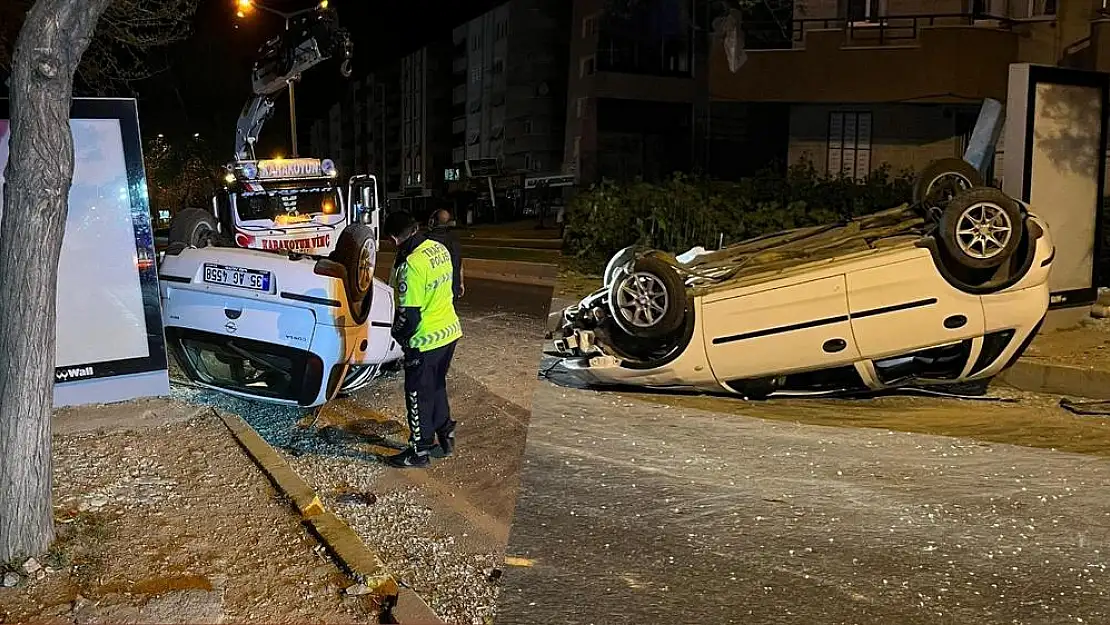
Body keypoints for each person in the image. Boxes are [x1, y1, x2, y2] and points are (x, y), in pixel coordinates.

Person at [383, 210, 463, 468]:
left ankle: (419, 451)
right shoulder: (437, 249)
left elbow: (411, 317)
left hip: (425, 339)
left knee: (417, 393)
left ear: (394, 238)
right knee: (436, 386)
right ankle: (445, 433)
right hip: (449, 332)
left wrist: (396, 335)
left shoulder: (411, 266)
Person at [425, 208, 465, 301]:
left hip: (432, 290)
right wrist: (461, 283)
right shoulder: (455, 240)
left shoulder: (425, 239)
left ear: (432, 221)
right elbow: (460, 263)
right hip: (452, 288)